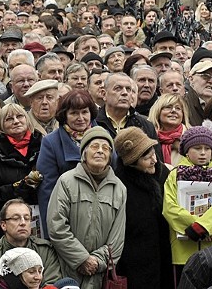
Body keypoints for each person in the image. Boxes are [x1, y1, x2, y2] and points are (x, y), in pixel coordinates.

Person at [47, 126, 126, 287]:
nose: (100, 151)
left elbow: (117, 238)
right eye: (94, 146)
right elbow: (56, 226)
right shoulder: (66, 181)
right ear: (84, 153)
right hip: (66, 268)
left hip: (100, 273)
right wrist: (82, 258)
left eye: (105, 148)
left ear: (110, 156)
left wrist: (97, 261)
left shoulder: (119, 188)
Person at [162, 126, 212, 284]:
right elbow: (170, 207)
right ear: (186, 151)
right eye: (197, 148)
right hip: (181, 249)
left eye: (207, 148)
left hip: (210, 248)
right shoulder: (174, 175)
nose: (203, 153)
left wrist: (203, 227)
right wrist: (193, 225)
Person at [113, 127, 173, 289]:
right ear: (132, 162)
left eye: (153, 153)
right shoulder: (120, 184)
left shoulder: (163, 173)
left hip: (164, 253)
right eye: (147, 158)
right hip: (136, 260)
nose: (154, 160)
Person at [37, 89, 98, 239]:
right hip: (68, 217)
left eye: (85, 112)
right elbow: (47, 192)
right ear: (64, 115)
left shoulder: (103, 136)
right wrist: (52, 232)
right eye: (74, 113)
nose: (81, 118)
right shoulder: (51, 142)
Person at [0, 199, 62, 287]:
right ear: (3, 225)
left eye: (27, 218)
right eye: (16, 219)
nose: (23, 223)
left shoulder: (45, 250)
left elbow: (52, 284)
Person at [0, 104, 43, 230]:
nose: (16, 121)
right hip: (10, 220)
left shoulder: (43, 144)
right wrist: (19, 186)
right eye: (9, 119)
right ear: (1, 125)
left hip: (43, 215)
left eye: (19, 116)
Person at [148, 94, 190, 165]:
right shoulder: (148, 136)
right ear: (158, 112)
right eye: (168, 107)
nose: (174, 111)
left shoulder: (191, 137)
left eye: (178, 108)